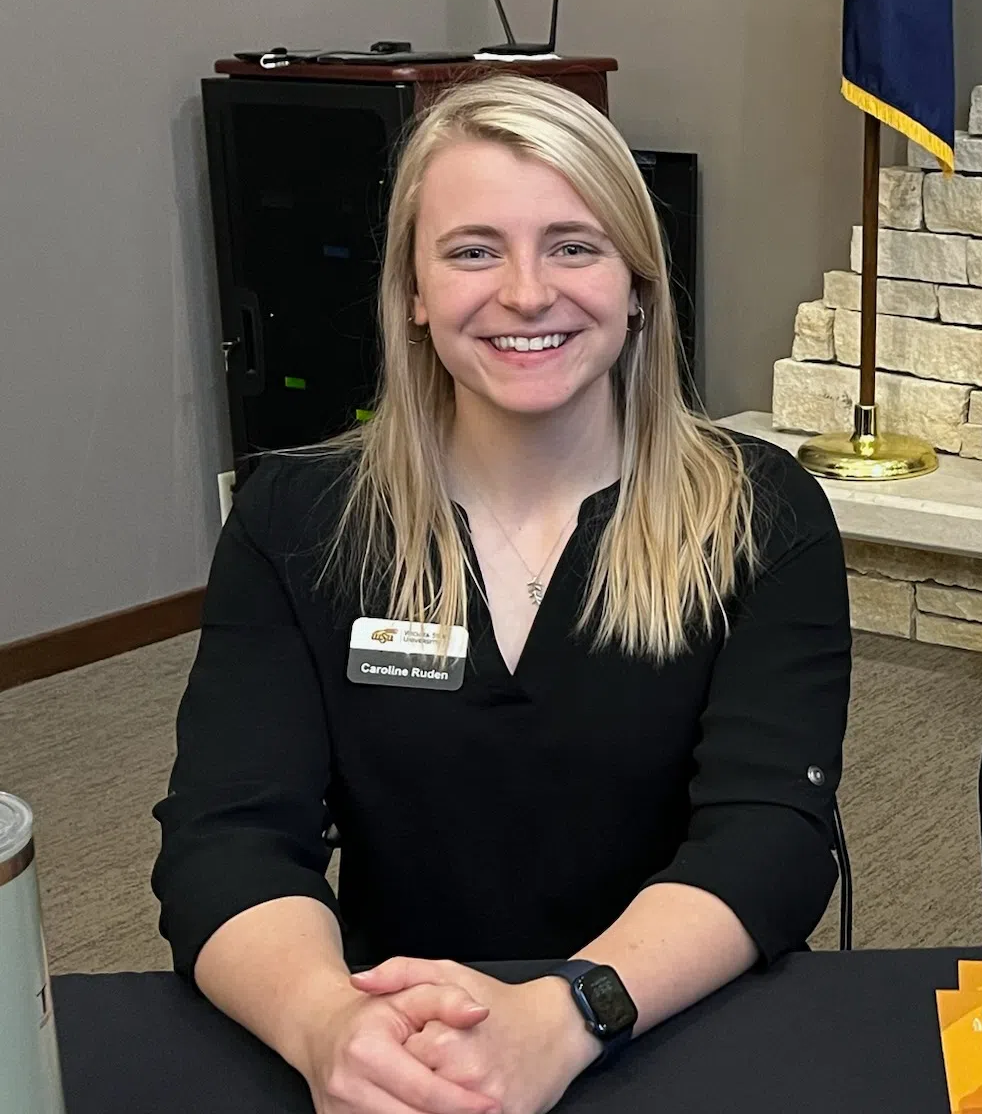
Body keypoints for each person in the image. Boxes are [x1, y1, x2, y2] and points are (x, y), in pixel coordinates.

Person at [151, 75, 850, 1114]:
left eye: (574, 245)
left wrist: (567, 1014)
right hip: (402, 1051)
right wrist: (327, 1027)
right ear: (415, 292)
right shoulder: (296, 522)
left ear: (637, 284)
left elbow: (771, 838)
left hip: (673, 1028)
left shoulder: (760, 516)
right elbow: (228, 839)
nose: (526, 292)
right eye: (473, 250)